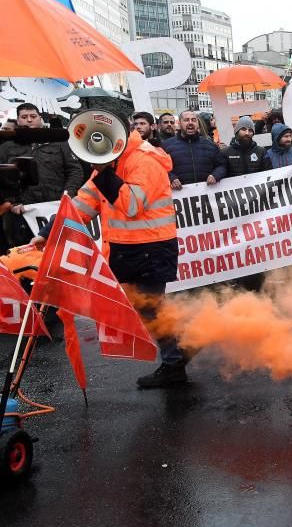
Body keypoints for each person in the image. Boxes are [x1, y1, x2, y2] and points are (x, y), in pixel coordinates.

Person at [33, 128, 185, 389]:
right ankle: (180, 351)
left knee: (150, 307)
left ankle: (175, 362)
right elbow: (82, 204)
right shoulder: (109, 165)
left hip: (152, 249)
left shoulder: (144, 160)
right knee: (147, 309)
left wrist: (104, 172)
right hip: (127, 250)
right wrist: (49, 233)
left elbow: (131, 205)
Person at [0, 103, 85, 247]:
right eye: (24, 117)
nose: (29, 120)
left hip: (55, 210)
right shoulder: (6, 147)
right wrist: (11, 201)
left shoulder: (58, 142)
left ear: (40, 118)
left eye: (33, 116)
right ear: (18, 121)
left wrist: (68, 194)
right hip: (21, 216)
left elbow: (75, 170)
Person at [162, 110, 226, 189]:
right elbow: (160, 168)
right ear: (179, 123)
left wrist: (216, 175)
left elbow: (222, 165)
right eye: (186, 120)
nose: (190, 123)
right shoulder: (166, 146)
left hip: (207, 196)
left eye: (193, 120)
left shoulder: (210, 145)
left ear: (198, 124)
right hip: (179, 196)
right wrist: (171, 178)